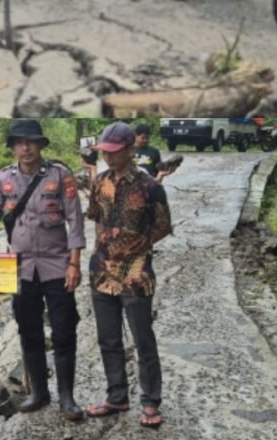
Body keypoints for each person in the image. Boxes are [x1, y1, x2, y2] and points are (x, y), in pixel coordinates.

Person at [0, 120, 86, 420]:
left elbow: (75, 221)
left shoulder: (60, 174)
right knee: (28, 331)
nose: (25, 147)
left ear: (41, 145)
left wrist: (75, 263)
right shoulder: (4, 178)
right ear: (13, 147)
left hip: (57, 266)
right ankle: (39, 393)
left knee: (64, 330)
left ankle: (67, 398)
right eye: (19, 142)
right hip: (21, 268)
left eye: (31, 142)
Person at [83, 121, 173, 430]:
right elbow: (96, 218)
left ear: (131, 150)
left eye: (114, 151)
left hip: (136, 275)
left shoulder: (150, 187)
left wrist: (136, 249)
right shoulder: (100, 183)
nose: (108, 157)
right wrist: (106, 249)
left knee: (143, 339)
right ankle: (116, 396)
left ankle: (150, 401)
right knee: (108, 339)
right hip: (101, 273)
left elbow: (162, 226)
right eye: (104, 152)